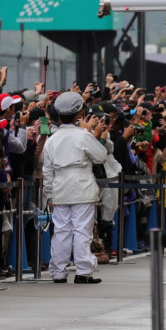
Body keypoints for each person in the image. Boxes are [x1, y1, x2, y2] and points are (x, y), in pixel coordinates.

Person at [43, 92, 108, 284]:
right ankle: (83, 271)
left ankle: (58, 272)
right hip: (82, 186)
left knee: (61, 231)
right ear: (79, 113)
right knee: (82, 230)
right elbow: (101, 156)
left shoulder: (52, 139)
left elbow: (47, 171)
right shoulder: (83, 135)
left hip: (60, 186)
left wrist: (49, 195)